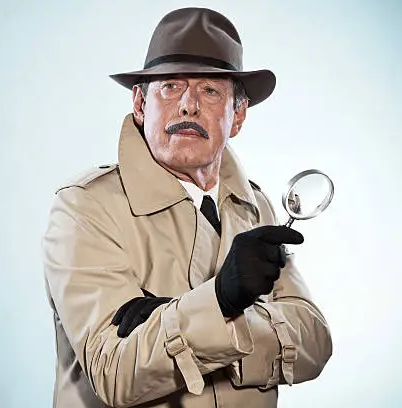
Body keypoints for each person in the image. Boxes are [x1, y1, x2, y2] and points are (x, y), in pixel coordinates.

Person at [42, 7, 332, 408]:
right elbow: (113, 372)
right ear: (141, 104)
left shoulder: (257, 207)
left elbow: (314, 342)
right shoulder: (85, 207)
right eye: (171, 86)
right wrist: (220, 301)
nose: (188, 106)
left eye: (211, 90)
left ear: (238, 116)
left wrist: (179, 318)